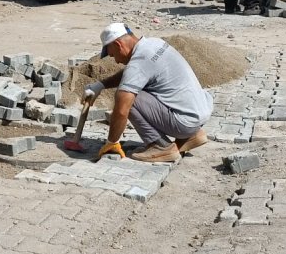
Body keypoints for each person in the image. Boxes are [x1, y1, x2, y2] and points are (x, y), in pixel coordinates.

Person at [82, 24, 213, 163]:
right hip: (200, 112)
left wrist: (112, 142)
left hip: (184, 122)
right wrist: (100, 85)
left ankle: (161, 147)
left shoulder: (139, 63)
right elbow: (131, 74)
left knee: (126, 99)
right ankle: (192, 135)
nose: (116, 61)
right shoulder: (154, 43)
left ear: (118, 44)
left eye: (113, 55)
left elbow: (121, 111)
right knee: (133, 89)